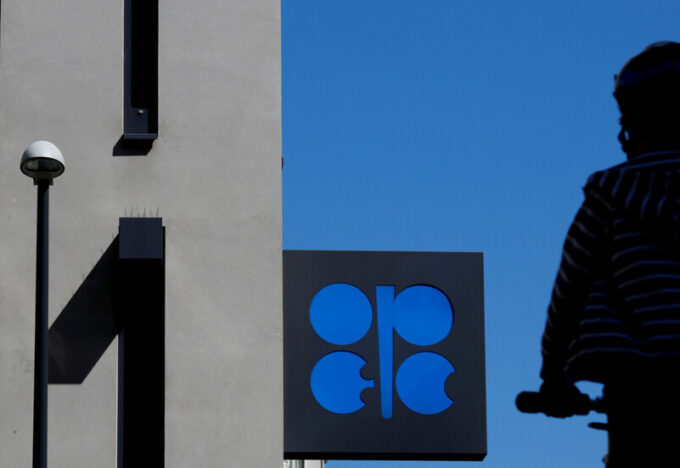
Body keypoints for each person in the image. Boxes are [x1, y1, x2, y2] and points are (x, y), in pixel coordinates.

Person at [538, 41, 680, 466]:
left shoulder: (609, 194)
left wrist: (553, 379)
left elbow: (569, 292)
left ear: (632, 122)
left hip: (643, 393)